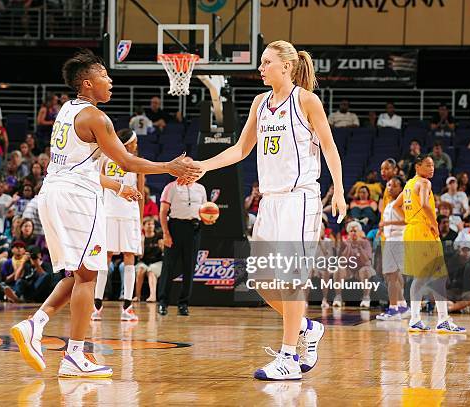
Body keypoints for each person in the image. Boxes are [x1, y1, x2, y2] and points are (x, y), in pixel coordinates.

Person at [10, 49, 200, 378]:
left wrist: (115, 186)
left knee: (80, 274)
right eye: (104, 76)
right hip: (77, 200)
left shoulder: (67, 111)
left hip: (54, 193)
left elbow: (80, 166)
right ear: (87, 83)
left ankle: (37, 324)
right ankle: (74, 354)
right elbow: (127, 161)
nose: (110, 81)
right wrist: (168, 166)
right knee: (89, 277)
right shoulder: (97, 118)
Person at [182, 40, 346, 381]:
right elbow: (241, 149)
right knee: (259, 281)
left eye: (266, 62)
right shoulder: (260, 103)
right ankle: (307, 328)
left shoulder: (306, 100)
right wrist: (203, 165)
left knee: (291, 278)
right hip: (269, 200)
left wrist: (340, 191)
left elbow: (330, 148)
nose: (261, 67)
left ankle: (288, 358)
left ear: (285, 66)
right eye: (261, 62)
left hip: (299, 198)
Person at [392, 155, 465, 333]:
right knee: (438, 276)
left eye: (433, 165)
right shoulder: (424, 183)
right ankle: (442, 320)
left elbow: (396, 206)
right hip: (424, 232)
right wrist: (434, 225)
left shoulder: (409, 184)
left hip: (411, 231)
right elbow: (425, 204)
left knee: (421, 277)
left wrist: (409, 220)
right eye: (428, 165)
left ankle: (416, 319)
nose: (432, 168)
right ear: (418, 167)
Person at [92, 129, 145, 322]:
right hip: (119, 214)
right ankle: (117, 306)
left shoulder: (107, 160)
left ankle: (106, 306)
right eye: (135, 141)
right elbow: (141, 194)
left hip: (116, 214)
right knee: (121, 257)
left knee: (110, 258)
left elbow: (140, 192)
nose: (137, 144)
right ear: (129, 143)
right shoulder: (125, 161)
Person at [157, 179, 207, 316]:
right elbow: (163, 212)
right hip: (175, 228)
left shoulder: (201, 188)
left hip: (194, 229)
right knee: (169, 266)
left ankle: (183, 304)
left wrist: (209, 218)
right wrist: (166, 234)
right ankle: (163, 302)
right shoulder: (170, 187)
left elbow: (204, 211)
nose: (189, 171)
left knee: (189, 267)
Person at [376, 177, 410, 321]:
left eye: (395, 185)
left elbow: (407, 220)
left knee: (391, 276)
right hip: (390, 239)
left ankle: (393, 309)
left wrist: (387, 222)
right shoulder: (389, 203)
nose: (391, 187)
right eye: (389, 185)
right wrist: (382, 229)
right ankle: (402, 306)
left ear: (401, 188)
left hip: (398, 240)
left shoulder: (402, 202)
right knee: (393, 276)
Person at [334, 221, 375, 308]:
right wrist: (348, 247)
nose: (353, 233)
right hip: (349, 269)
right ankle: (338, 297)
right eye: (351, 231)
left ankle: (366, 298)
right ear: (348, 233)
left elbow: (366, 261)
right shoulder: (345, 244)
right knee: (338, 270)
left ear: (360, 232)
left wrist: (359, 248)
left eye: (355, 231)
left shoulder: (365, 243)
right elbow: (341, 261)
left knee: (365, 270)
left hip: (362, 267)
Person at [446, 242, 470, 313]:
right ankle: (458, 307)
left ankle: (451, 308)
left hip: (466, 295)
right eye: (463, 250)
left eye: (467, 250)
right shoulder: (453, 263)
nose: (465, 253)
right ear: (459, 251)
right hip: (454, 294)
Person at [135, 216, 163, 302]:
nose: (151, 226)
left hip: (157, 262)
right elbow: (140, 256)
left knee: (151, 271)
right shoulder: (141, 239)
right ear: (143, 226)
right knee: (141, 269)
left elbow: (164, 253)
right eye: (148, 224)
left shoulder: (159, 236)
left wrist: (162, 246)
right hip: (144, 262)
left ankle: (153, 296)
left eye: (152, 224)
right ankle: (137, 296)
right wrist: (142, 243)